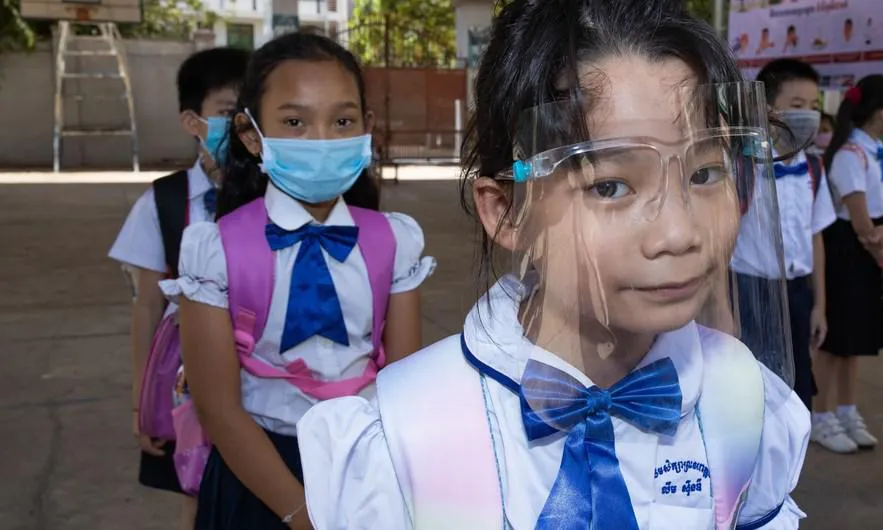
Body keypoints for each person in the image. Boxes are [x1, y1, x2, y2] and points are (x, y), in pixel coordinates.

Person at [297, 1, 810, 528]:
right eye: (610, 186)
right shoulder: (407, 433)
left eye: (705, 174)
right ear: (507, 210)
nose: (679, 233)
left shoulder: (746, 404)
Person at [162, 32, 435, 530]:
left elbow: (404, 383)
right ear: (250, 135)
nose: (323, 140)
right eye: (294, 122)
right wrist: (302, 511)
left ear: (366, 129)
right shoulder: (216, 250)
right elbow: (219, 408)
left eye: (342, 121)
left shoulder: (394, 243)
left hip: (366, 469)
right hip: (258, 476)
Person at [107, 46, 249, 530]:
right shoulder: (165, 202)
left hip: (264, 379)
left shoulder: (277, 195)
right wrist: (141, 402)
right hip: (187, 387)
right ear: (193, 121)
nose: (241, 127)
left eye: (248, 112)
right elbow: (147, 305)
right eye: (227, 113)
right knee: (196, 495)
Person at [732, 59, 835, 411]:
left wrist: (819, 305)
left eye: (813, 107)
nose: (808, 114)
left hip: (797, 292)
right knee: (751, 392)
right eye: (797, 106)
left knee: (794, 393)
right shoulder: (742, 165)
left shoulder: (815, 168)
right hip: (749, 292)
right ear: (767, 108)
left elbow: (816, 237)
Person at [814, 74, 883, 454]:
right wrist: (882, 256)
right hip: (848, 250)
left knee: (855, 342)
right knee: (834, 342)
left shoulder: (875, 151)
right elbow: (862, 223)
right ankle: (822, 415)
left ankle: (848, 410)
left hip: (869, 247)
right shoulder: (850, 154)